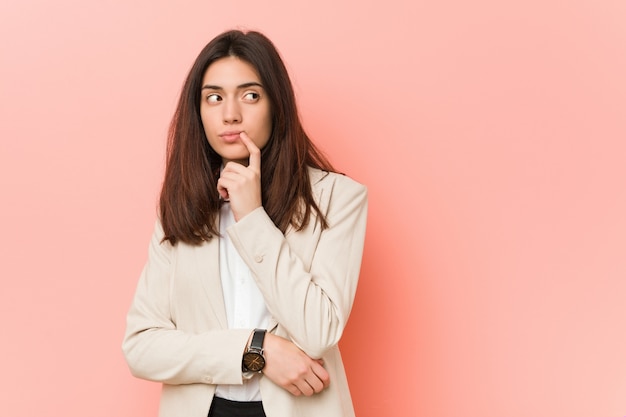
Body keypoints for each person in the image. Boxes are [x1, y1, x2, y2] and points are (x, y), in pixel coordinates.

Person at [122, 29, 368, 417]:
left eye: (250, 95)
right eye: (214, 97)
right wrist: (257, 350)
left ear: (276, 105)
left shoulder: (337, 199)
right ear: (198, 111)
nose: (230, 113)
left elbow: (319, 332)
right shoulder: (181, 206)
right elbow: (141, 347)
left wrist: (252, 217)